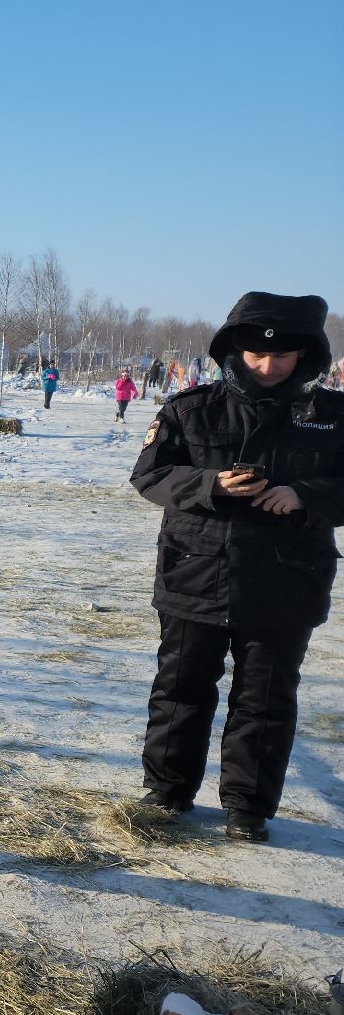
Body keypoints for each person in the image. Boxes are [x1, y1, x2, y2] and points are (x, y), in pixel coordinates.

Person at [130, 291, 340, 843]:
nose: (267, 366)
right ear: (233, 349)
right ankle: (167, 790)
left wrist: (305, 496)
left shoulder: (333, 418)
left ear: (306, 356)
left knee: (266, 699)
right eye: (254, 354)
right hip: (194, 574)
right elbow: (149, 475)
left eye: (282, 356)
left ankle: (248, 805)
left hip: (286, 581)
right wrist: (209, 485)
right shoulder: (190, 409)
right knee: (180, 688)